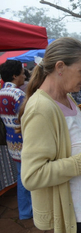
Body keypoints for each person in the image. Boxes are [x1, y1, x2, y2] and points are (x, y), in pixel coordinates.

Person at [19, 37, 81, 233]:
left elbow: (74, 138)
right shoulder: (41, 109)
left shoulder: (66, 97)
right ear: (60, 67)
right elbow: (32, 176)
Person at [0, 60, 32, 220]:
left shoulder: (1, 93)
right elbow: (29, 118)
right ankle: (28, 210)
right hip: (24, 142)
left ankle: (25, 211)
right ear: (14, 75)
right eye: (21, 73)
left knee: (22, 176)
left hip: (11, 142)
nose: (23, 76)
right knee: (28, 177)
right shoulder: (18, 95)